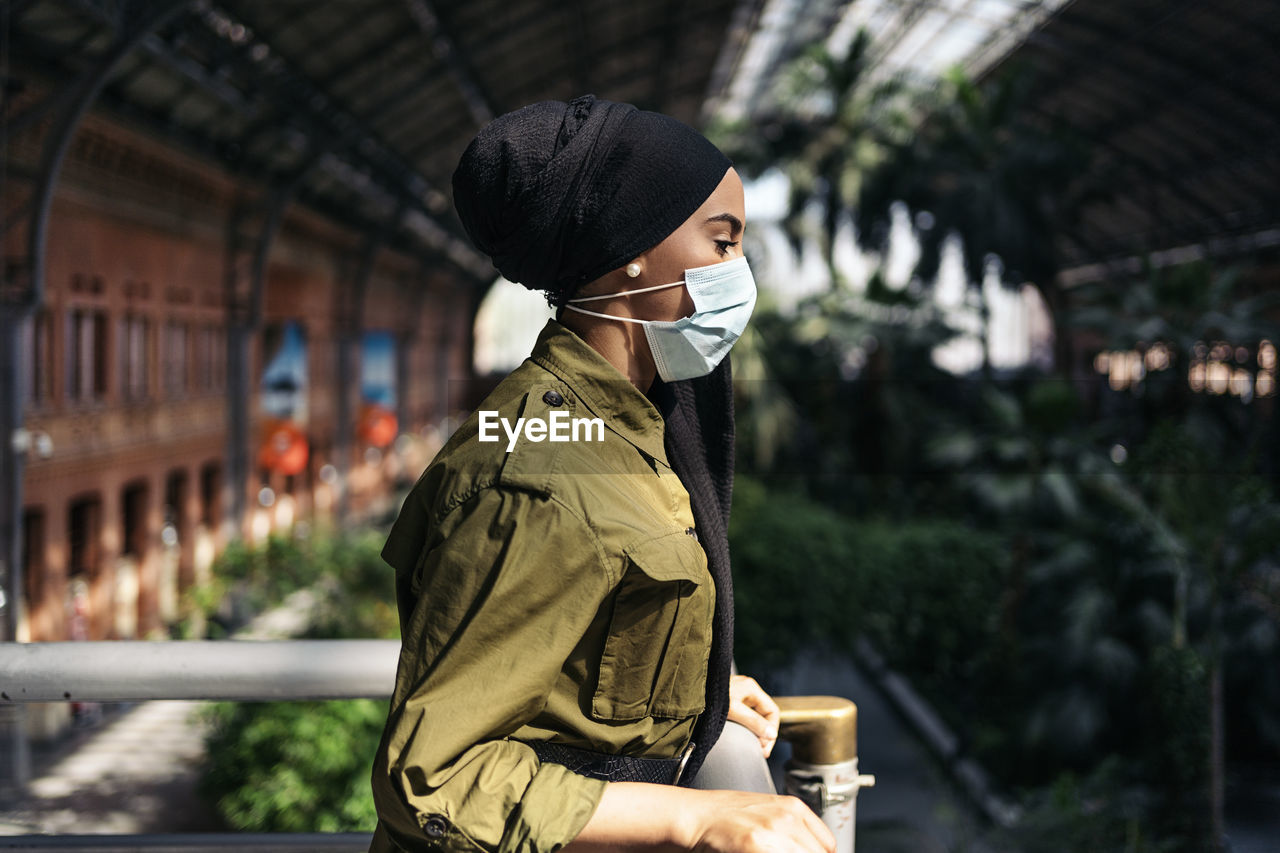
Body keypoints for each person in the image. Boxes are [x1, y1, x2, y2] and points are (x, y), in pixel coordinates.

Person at [370, 95, 834, 853]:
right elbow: (435, 776)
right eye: (722, 244)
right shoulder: (540, 476)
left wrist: (694, 697)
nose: (737, 273)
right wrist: (699, 815)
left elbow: (581, 664)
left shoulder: (626, 423)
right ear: (636, 250)